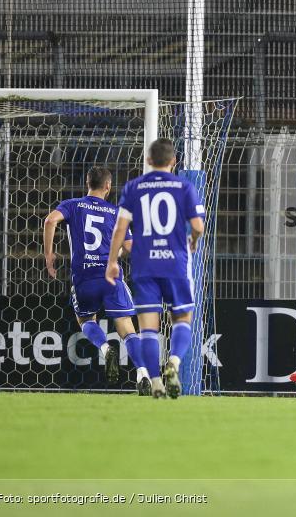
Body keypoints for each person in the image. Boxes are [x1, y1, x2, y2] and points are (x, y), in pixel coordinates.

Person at [105, 139, 205, 399]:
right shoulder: (184, 186)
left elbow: (120, 229)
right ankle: (174, 362)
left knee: (148, 328)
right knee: (182, 318)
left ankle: (156, 382)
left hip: (144, 265)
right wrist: (193, 241)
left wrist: (112, 261)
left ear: (149, 160)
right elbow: (198, 226)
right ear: (173, 161)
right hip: (175, 264)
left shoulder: (134, 187)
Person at [43, 166, 150, 395]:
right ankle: (142, 373)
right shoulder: (116, 213)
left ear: (87, 182)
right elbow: (130, 247)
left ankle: (104, 348)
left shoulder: (73, 205)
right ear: (108, 186)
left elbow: (50, 221)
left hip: (84, 279)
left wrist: (48, 255)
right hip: (111, 278)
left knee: (85, 320)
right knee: (127, 328)